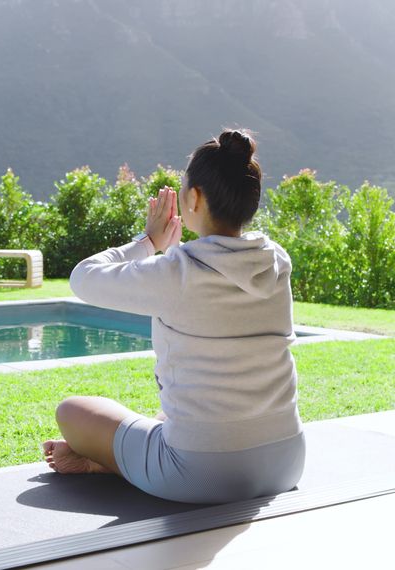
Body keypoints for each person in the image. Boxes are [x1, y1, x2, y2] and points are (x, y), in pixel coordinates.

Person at [41, 129, 305, 504]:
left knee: (72, 411)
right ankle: (124, 457)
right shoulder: (277, 260)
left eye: (183, 188)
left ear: (194, 198)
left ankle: (105, 463)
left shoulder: (177, 273)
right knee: (167, 419)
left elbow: (82, 278)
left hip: (201, 474)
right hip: (286, 461)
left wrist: (148, 242)